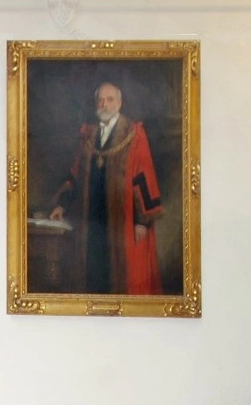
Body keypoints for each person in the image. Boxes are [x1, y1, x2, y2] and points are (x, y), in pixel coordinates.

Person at [46, 82, 164, 295]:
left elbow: (143, 176)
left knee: (123, 275)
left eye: (110, 100)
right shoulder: (88, 135)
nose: (104, 105)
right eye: (100, 100)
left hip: (123, 218)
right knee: (94, 271)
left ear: (119, 103)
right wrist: (62, 205)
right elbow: (76, 173)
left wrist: (142, 221)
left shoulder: (134, 134)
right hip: (92, 217)